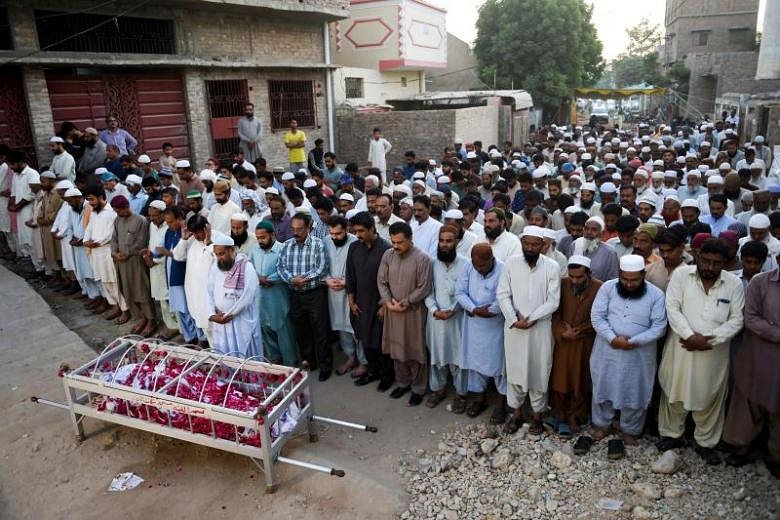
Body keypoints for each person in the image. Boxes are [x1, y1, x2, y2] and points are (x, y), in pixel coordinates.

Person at [658, 239, 745, 465]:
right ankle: (672, 435)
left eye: (716, 263)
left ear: (725, 263)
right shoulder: (681, 275)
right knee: (673, 391)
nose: (709, 267)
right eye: (705, 260)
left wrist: (711, 341)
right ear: (697, 256)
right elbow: (672, 308)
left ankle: (705, 443)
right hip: (681, 349)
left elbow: (737, 319)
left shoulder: (734, 284)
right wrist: (690, 336)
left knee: (710, 397)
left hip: (713, 354)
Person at [588, 254, 667, 460]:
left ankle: (630, 430)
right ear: (620, 275)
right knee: (603, 384)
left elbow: (659, 326)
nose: (630, 284)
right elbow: (597, 316)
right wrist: (613, 338)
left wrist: (634, 341)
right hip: (607, 349)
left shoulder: (656, 295)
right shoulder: (607, 288)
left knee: (636, 388)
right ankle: (602, 424)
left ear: (643, 275)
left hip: (639, 353)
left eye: (635, 280)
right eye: (625, 279)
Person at [497, 226, 561, 434]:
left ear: (543, 245)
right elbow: (502, 294)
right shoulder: (511, 263)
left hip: (540, 330)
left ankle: (537, 417)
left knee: (539, 372)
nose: (531, 248)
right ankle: (516, 415)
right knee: (514, 372)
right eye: (527, 244)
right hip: (515, 329)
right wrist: (515, 319)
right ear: (522, 243)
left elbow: (553, 301)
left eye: (536, 244)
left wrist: (531, 318)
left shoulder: (552, 267)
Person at [723, 258, 780, 478]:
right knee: (748, 403)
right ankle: (741, 447)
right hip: (758, 355)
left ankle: (775, 456)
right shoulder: (761, 282)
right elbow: (751, 317)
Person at [377, 221, 432, 406]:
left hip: (413, 313)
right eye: (393, 242)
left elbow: (424, 287)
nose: (396, 246)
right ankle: (402, 382)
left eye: (400, 242)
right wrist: (388, 302)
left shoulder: (422, 258)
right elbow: (381, 282)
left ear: (410, 239)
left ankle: (418, 388)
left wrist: (406, 302)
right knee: (396, 349)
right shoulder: (388, 255)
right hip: (393, 311)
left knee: (415, 351)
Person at [550, 255, 602, 438]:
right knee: (560, 378)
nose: (574, 280)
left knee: (581, 379)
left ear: (589, 274)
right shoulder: (562, 284)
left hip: (585, 341)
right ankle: (559, 413)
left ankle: (576, 416)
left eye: (579, 277)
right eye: (572, 276)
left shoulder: (600, 288)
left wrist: (580, 330)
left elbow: (600, 317)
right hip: (563, 341)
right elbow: (553, 312)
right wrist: (561, 332)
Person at [277, 212, 331, 380]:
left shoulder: (318, 244)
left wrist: (303, 279)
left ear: (308, 228)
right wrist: (292, 279)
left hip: (314, 293)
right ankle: (310, 361)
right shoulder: (286, 245)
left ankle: (325, 366)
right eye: (293, 229)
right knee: (301, 330)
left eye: (300, 229)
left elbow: (321, 268)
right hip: (295, 294)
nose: (296, 232)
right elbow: (280, 267)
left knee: (320, 330)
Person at [345, 212, 394, 388]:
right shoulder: (354, 247)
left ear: (372, 228)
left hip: (379, 305)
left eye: (361, 231)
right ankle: (372, 372)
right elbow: (350, 275)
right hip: (360, 305)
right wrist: (351, 301)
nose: (358, 235)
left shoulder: (386, 249)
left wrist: (384, 306)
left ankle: (386, 377)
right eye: (355, 231)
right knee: (366, 342)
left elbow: (391, 282)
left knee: (382, 344)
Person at [424, 226, 469, 410]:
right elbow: (428, 292)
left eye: (449, 241)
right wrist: (435, 310)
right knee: (437, 357)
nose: (444, 244)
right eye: (441, 240)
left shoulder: (466, 264)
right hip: (435, 320)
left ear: (457, 242)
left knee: (459, 359)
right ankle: (439, 390)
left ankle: (461, 394)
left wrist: (453, 309)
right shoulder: (432, 264)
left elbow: (466, 293)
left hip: (457, 320)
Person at [250, 221, 298, 366]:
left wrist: (268, 279)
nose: (260, 240)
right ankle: (274, 360)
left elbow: (288, 270)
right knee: (266, 329)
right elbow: (249, 268)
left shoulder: (284, 249)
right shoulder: (254, 250)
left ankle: (290, 363)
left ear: (273, 235)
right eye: (258, 238)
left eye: (263, 237)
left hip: (278, 297)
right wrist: (258, 278)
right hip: (261, 298)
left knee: (283, 330)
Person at [207, 233, 261, 357]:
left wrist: (227, 315)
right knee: (226, 359)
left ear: (232, 250)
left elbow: (247, 297)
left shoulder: (247, 267)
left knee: (248, 359)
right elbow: (208, 293)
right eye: (216, 254)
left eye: (222, 254)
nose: (219, 258)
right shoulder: (215, 268)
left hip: (241, 321)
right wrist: (212, 315)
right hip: (220, 322)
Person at [110, 195, 155, 336]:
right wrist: (114, 252)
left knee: (142, 292)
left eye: (119, 211)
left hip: (136, 262)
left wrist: (127, 253)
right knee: (127, 291)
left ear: (126, 206)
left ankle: (151, 321)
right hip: (121, 263)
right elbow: (114, 239)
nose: (118, 214)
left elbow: (141, 242)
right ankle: (141, 318)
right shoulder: (117, 220)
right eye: (116, 211)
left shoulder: (140, 220)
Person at [82, 186, 128, 321]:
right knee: (104, 282)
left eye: (92, 199)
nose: (90, 202)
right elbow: (88, 231)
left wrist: (96, 242)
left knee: (114, 282)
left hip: (107, 251)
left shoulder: (111, 213)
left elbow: (111, 235)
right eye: (88, 200)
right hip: (96, 254)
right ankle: (115, 306)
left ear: (101, 197)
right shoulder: (94, 213)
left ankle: (125, 309)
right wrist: (86, 241)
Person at [325, 216, 363, 376]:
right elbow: (321, 263)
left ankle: (363, 361)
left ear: (347, 230)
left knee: (356, 328)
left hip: (352, 292)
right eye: (332, 233)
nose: (335, 237)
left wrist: (347, 282)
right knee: (341, 327)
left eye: (338, 234)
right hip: (332, 292)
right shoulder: (326, 241)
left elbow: (361, 269)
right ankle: (350, 357)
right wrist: (327, 279)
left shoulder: (356, 242)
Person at [172, 215, 216, 347]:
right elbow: (178, 256)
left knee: (215, 330)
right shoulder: (190, 241)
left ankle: (222, 359)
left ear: (206, 228)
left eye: (199, 232)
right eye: (194, 233)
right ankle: (213, 355)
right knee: (203, 325)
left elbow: (216, 262)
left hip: (210, 295)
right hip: (195, 294)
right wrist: (184, 239)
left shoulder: (218, 239)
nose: (196, 236)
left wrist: (209, 243)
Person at [142, 201, 179, 340]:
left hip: (165, 266)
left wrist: (154, 259)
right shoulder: (152, 225)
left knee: (170, 298)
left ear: (163, 214)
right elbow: (152, 244)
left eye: (155, 215)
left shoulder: (168, 227)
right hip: (153, 266)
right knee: (161, 300)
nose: (152, 218)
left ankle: (176, 327)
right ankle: (169, 325)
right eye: (150, 215)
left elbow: (169, 250)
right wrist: (148, 258)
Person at [61, 188, 103, 306]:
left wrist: (83, 240)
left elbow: (93, 227)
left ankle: (102, 298)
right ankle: (93, 296)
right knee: (84, 274)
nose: (69, 204)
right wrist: (71, 239)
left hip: (88, 246)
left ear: (78, 198)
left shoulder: (89, 208)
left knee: (93, 274)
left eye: (71, 201)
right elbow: (69, 227)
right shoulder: (72, 210)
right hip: (77, 247)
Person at [569, 216, 619, 281]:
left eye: (594, 229)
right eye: (586, 229)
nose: (589, 232)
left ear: (602, 233)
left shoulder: (610, 252)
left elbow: (613, 279)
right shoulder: (575, 245)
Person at [7, 150, 36, 260]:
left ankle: (43, 269)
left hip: (29, 211)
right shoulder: (16, 175)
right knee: (25, 239)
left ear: (20, 162)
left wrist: (17, 206)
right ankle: (37, 268)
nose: (11, 167)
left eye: (12, 164)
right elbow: (13, 193)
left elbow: (32, 193)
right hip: (20, 213)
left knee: (32, 239)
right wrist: (10, 205)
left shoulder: (32, 174)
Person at [646, 226, 689, 292]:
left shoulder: (689, 274)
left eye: (670, 251)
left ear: (681, 247)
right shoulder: (649, 270)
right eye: (662, 251)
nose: (665, 255)